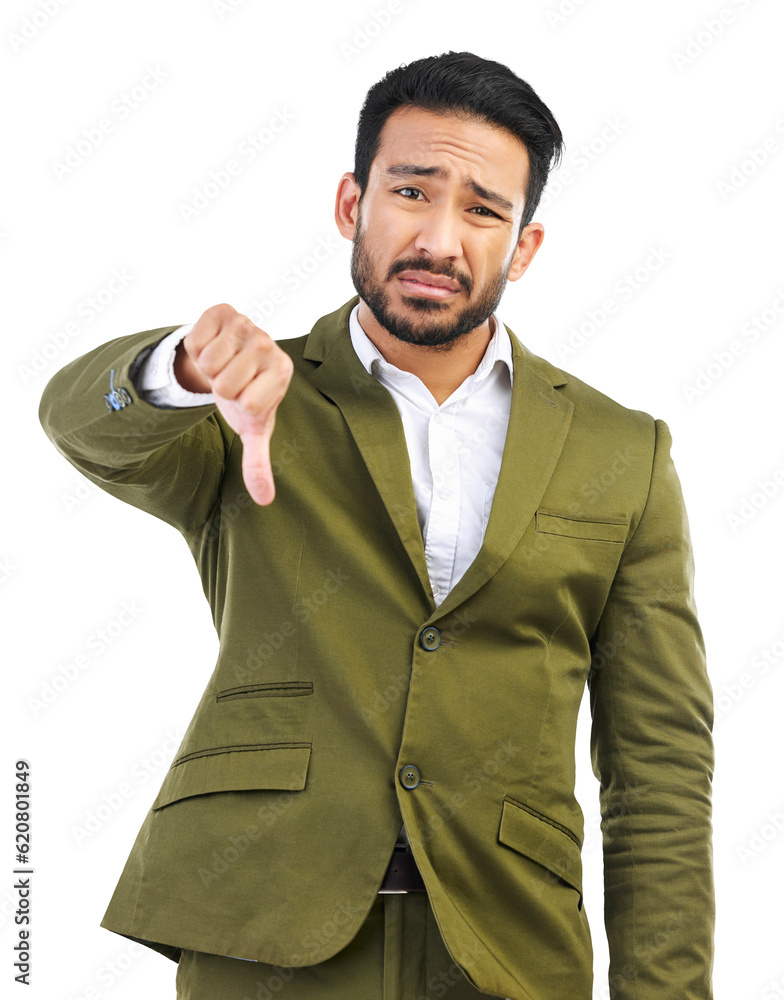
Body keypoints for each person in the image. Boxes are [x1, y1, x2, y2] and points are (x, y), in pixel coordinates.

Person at [38, 51, 714, 1000]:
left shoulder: (624, 453)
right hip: (263, 932)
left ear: (523, 247)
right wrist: (182, 370)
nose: (441, 238)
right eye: (411, 191)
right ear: (353, 204)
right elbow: (76, 422)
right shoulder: (249, 398)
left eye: (484, 210)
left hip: (510, 947)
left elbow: (660, 770)